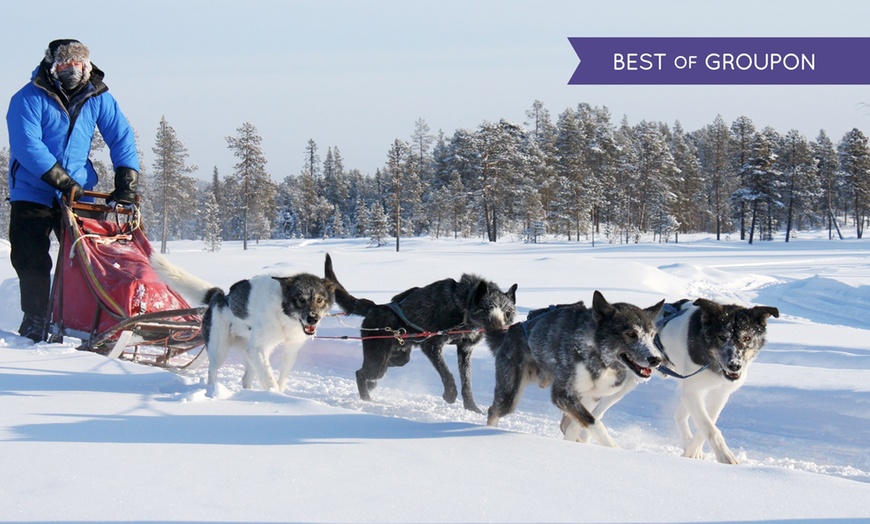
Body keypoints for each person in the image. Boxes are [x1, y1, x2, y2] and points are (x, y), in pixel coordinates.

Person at [6, 39, 140, 343]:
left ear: (87, 65)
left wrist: (127, 178)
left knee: (87, 258)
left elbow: (121, 136)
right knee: (31, 257)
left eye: (78, 64)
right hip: (33, 189)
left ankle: (93, 319)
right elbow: (27, 145)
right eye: (66, 64)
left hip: (79, 192)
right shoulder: (27, 98)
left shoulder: (98, 96)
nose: (73, 70)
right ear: (53, 67)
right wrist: (62, 181)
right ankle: (36, 319)